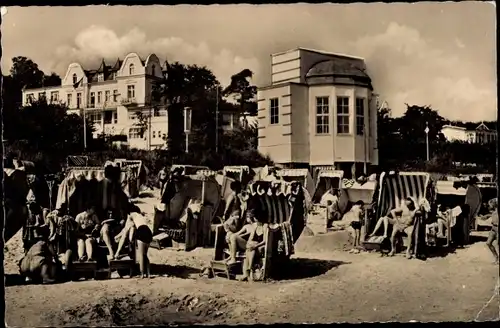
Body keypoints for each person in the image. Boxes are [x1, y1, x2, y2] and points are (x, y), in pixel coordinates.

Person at [485, 198, 498, 264]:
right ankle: (496, 256)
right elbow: (493, 214)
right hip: (493, 229)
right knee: (488, 243)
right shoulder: (494, 211)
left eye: (491, 204)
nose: (490, 206)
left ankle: (497, 260)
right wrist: (487, 216)